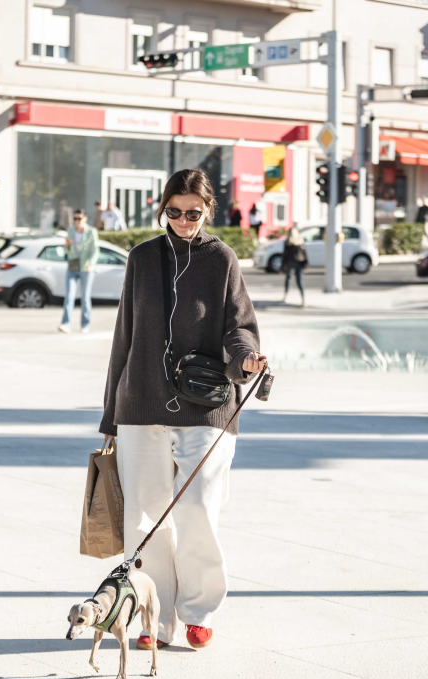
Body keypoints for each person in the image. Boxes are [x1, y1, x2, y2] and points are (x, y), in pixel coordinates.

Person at [99, 168, 264, 652]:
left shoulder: (222, 260)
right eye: (174, 212)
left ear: (209, 210)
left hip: (207, 406)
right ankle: (152, 617)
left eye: (193, 213)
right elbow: (123, 338)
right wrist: (111, 416)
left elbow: (239, 326)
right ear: (162, 209)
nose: (184, 221)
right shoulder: (142, 258)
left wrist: (246, 357)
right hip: (141, 402)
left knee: (197, 508)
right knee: (145, 519)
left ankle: (199, 610)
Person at [59, 209, 98, 334]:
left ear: (85, 218)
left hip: (86, 267)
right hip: (72, 266)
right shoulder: (70, 231)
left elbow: (95, 250)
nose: (77, 221)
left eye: (79, 218)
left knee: (85, 298)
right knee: (69, 296)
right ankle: (66, 324)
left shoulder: (91, 231)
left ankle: (85, 325)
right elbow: (65, 252)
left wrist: (91, 263)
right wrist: (66, 246)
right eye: (75, 218)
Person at [282, 225, 308, 306]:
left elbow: (285, 255)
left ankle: (285, 296)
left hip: (290, 262)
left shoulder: (287, 242)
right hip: (299, 262)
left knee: (288, 279)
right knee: (299, 281)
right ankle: (303, 298)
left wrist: (282, 266)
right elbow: (304, 254)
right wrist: (306, 265)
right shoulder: (300, 241)